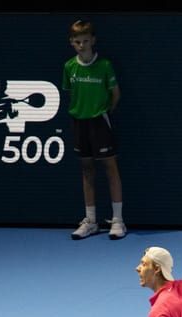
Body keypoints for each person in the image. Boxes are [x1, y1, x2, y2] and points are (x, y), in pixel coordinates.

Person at [62, 19, 126, 240]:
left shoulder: (105, 66)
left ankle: (117, 220)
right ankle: (91, 221)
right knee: (87, 170)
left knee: (110, 167)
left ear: (93, 41)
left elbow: (115, 94)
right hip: (79, 122)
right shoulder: (69, 66)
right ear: (72, 43)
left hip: (100, 121)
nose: (82, 45)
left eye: (86, 41)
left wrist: (103, 112)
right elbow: (71, 92)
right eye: (77, 42)